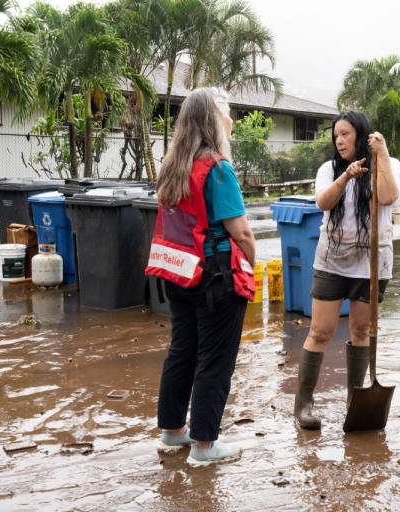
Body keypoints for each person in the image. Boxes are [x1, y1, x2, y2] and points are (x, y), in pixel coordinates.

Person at [147, 88, 256, 465]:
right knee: (214, 360)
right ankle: (206, 446)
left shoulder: (171, 165)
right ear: (212, 120)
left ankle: (173, 431)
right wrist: (252, 262)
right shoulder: (217, 169)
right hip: (215, 280)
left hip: (179, 276)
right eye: (225, 113)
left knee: (183, 352)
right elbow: (240, 232)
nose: (230, 120)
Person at [294, 111, 400, 430]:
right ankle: (304, 404)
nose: (339, 140)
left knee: (360, 332)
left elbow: (387, 196)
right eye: (336, 135)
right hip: (333, 259)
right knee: (320, 331)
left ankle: (355, 400)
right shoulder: (328, 169)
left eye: (345, 134)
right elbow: (323, 204)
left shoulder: (389, 164)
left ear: (361, 135)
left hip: (373, 261)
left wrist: (380, 155)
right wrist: (346, 177)